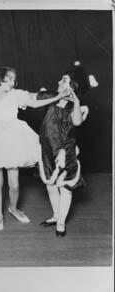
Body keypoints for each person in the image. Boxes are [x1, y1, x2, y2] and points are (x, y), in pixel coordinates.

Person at [0, 67, 68, 231]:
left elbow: (35, 103)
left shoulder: (16, 95)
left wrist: (58, 97)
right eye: (8, 79)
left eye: (13, 79)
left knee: (14, 185)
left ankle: (13, 208)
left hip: (13, 138)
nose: (12, 82)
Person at [38, 61, 94, 237]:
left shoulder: (77, 106)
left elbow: (77, 122)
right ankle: (55, 215)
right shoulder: (50, 96)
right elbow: (31, 98)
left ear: (72, 86)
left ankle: (61, 223)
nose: (59, 82)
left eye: (64, 80)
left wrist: (75, 100)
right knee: (50, 185)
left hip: (65, 152)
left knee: (65, 187)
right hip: (47, 149)